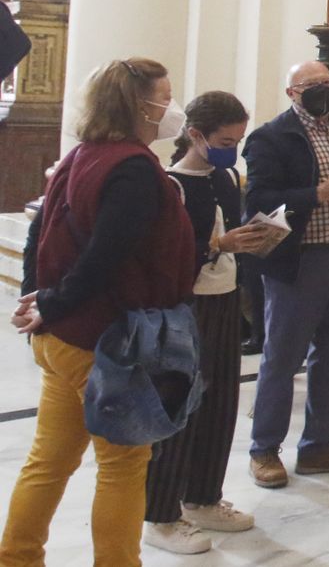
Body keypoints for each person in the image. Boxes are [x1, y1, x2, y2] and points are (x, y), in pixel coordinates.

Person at [1, 58, 196, 567]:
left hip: (66, 335)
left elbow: (40, 235)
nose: (170, 107)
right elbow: (106, 258)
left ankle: (17, 557)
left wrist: (42, 301)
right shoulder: (130, 168)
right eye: (165, 96)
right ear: (140, 104)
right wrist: (50, 301)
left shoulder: (84, 154)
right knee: (124, 466)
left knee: (51, 460)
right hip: (104, 340)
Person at [243, 61, 329, 488]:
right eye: (313, 85)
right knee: (282, 358)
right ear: (292, 92)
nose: (324, 90)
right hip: (299, 261)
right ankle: (264, 449)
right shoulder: (271, 137)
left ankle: (320, 444)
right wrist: (317, 194)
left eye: (328, 84)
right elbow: (260, 201)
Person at [143, 92, 273, 555]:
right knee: (179, 406)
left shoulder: (225, 177)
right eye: (224, 139)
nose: (231, 148)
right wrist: (219, 245)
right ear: (195, 135)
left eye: (237, 139)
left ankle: (202, 496)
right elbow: (163, 257)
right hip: (186, 305)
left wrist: (254, 239)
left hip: (223, 299)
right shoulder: (170, 185)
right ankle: (159, 514)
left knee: (219, 402)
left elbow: (229, 237)